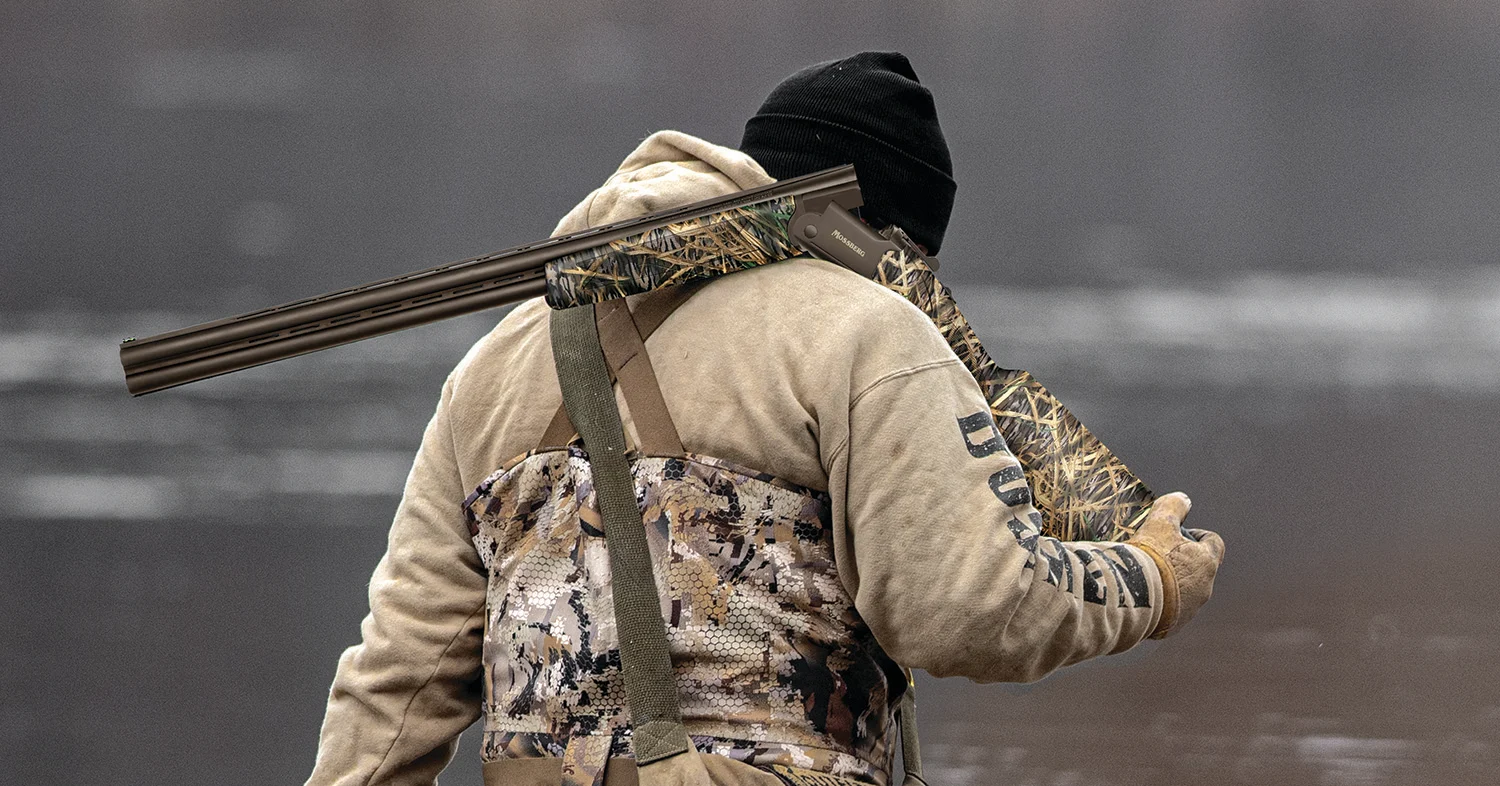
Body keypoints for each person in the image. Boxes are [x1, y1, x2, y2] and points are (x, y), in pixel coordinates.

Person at [306, 51, 1225, 786]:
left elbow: (397, 685)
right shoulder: (870, 335)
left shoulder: (496, 362)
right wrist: (1148, 580)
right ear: (896, 237)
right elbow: (969, 611)